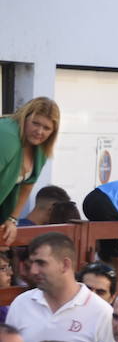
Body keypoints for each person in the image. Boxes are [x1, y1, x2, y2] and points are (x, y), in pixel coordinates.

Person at [6, 233, 113, 342]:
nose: (33, 271)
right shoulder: (21, 303)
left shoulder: (102, 312)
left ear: (65, 265)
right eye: (32, 263)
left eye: (41, 263)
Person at [0, 98, 60, 247]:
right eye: (35, 123)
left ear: (53, 132)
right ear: (24, 118)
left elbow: (27, 185)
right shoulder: (7, 136)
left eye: (46, 128)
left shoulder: (41, 149)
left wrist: (12, 219)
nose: (39, 131)